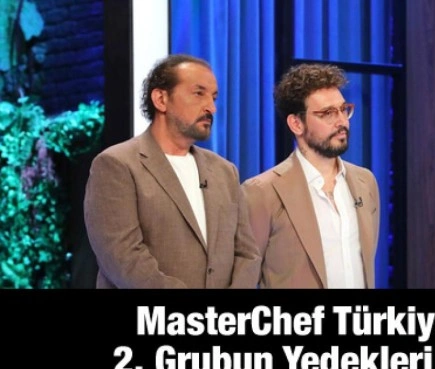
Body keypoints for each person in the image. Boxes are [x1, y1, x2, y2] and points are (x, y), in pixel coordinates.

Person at [84, 54, 259, 288]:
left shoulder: (225, 172)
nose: (211, 107)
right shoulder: (116, 165)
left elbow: (247, 254)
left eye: (214, 97)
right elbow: (123, 258)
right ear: (161, 99)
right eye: (199, 93)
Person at [241, 64, 380, 288]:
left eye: (343, 109)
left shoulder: (365, 182)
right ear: (296, 124)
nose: (342, 121)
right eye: (328, 113)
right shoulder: (262, 192)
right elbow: (244, 277)